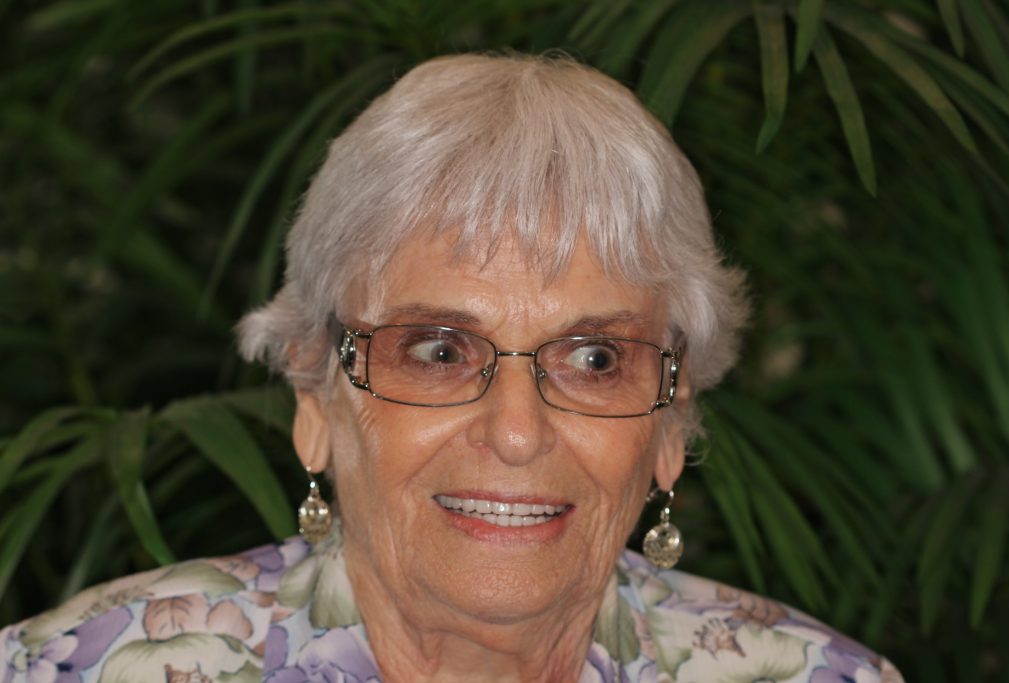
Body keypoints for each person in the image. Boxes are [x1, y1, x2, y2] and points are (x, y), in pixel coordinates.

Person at [0, 52, 903, 682]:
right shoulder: (71, 668)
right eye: (437, 348)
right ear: (316, 394)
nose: (516, 431)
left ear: (671, 425)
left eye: (594, 357)